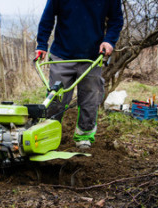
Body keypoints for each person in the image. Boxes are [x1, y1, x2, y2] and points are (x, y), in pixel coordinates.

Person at [35, 0, 123, 149]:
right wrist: (42, 45)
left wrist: (109, 41)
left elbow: (116, 20)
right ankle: (49, 135)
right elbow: (48, 17)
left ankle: (84, 137)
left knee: (90, 98)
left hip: (92, 57)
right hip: (62, 55)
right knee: (56, 99)